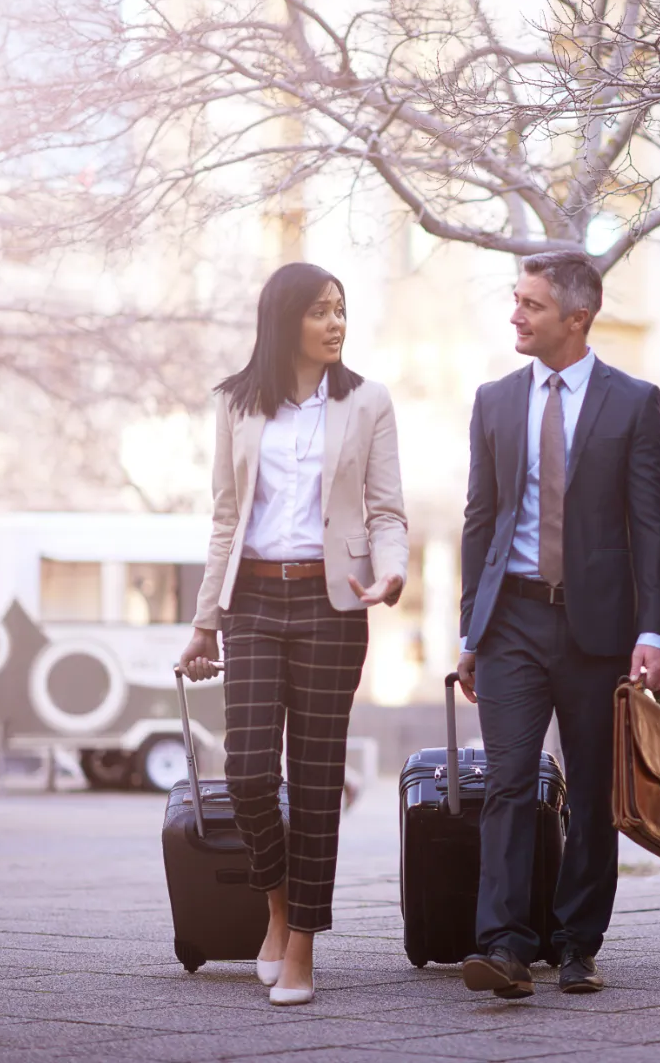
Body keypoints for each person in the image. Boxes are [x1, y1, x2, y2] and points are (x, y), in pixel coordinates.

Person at [178, 262, 408, 1007]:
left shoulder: (367, 401)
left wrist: (393, 572)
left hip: (332, 603)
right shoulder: (237, 403)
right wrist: (203, 623)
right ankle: (276, 906)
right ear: (285, 322)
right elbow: (223, 517)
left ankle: (302, 946)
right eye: (319, 311)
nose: (336, 323)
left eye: (341, 309)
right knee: (246, 772)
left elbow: (387, 510)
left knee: (313, 782)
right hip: (252, 602)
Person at [456, 250, 660, 1000]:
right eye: (516, 301)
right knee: (509, 782)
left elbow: (649, 528)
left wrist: (654, 633)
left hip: (599, 630)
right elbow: (479, 522)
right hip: (511, 620)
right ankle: (504, 946)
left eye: (531, 304)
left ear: (576, 319)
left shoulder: (634, 403)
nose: (515, 314)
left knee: (592, 790)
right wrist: (469, 634)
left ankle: (578, 942)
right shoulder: (493, 401)